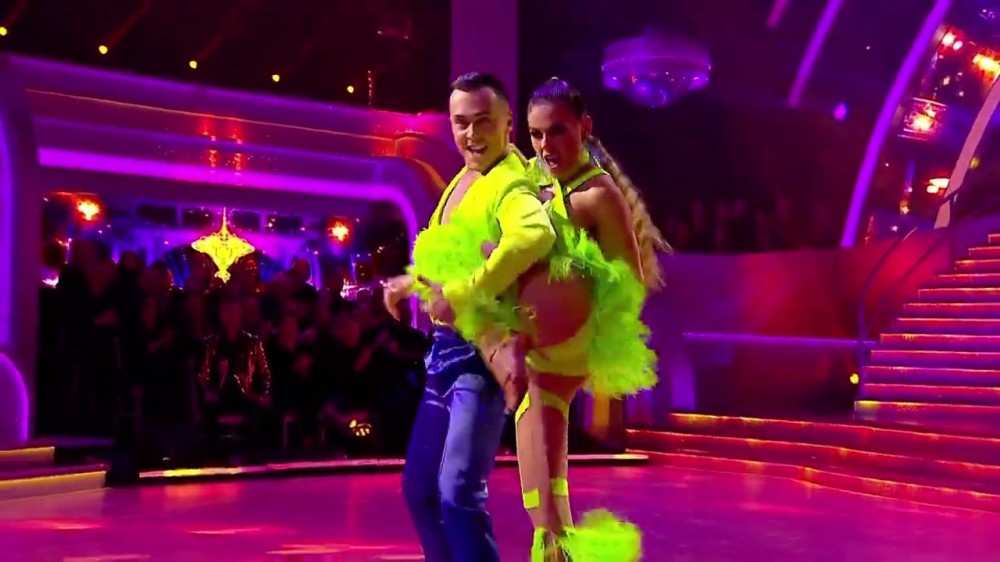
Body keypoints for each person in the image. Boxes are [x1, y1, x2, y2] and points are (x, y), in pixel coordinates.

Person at [412, 77, 667, 561]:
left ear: (584, 127)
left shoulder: (598, 194)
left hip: (564, 350)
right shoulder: (531, 176)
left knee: (537, 501)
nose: (546, 146)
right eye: (536, 134)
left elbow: (631, 283)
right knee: (544, 505)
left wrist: (572, 293)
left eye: (558, 131)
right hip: (529, 349)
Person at [383, 72, 556, 562]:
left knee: (458, 493)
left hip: (483, 353)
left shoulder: (510, 183)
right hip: (445, 354)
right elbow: (449, 257)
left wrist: (462, 293)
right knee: (421, 490)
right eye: (461, 123)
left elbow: (533, 237)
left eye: (483, 122)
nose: (471, 134)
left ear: (507, 124)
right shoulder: (463, 180)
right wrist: (411, 283)